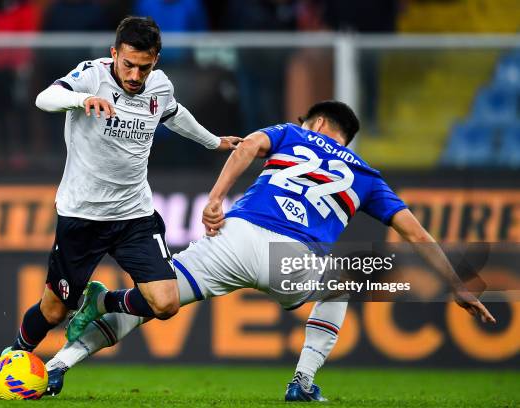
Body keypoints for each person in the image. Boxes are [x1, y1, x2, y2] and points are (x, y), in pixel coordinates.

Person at [46, 101, 495, 401]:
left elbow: (249, 148)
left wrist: (217, 197)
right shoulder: (367, 176)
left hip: (234, 238)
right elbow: (417, 235)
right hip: (293, 261)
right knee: (341, 284)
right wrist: (457, 286)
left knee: (156, 301)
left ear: (315, 123)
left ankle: (58, 364)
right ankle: (302, 382)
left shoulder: (289, 133)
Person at [2, 16, 241, 356]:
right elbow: (45, 98)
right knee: (54, 311)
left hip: (134, 215)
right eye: (128, 64)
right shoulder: (91, 75)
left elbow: (174, 114)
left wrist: (213, 142)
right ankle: (14, 355)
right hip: (82, 215)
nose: (134, 75)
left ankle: (99, 302)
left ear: (154, 60)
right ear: (114, 53)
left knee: (165, 303)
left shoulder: (159, 86)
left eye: (143, 68)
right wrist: (80, 100)